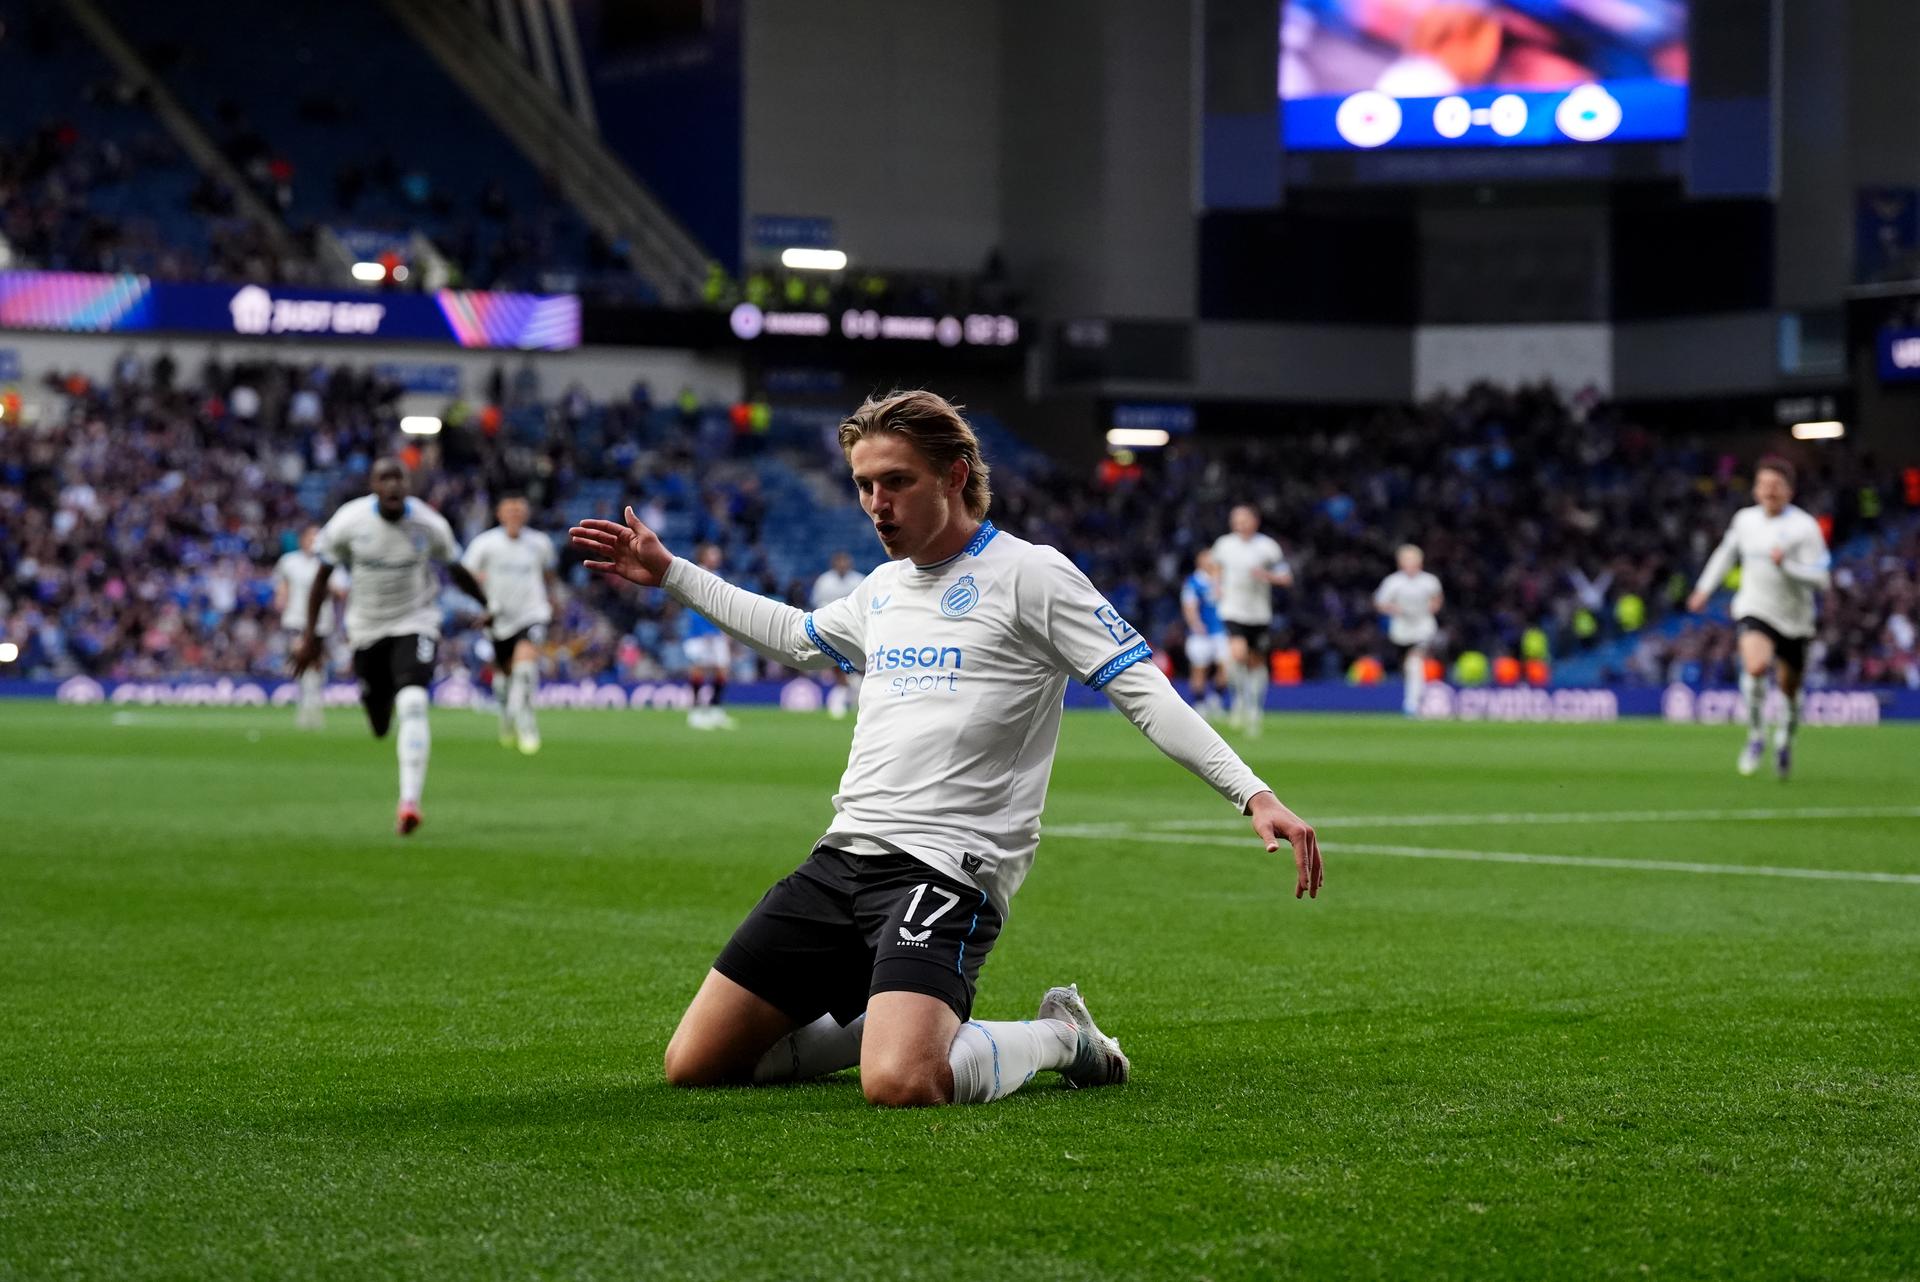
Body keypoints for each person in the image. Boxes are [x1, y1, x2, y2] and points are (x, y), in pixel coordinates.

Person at [570, 390, 1321, 1110]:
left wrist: (1251, 792)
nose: (876, 504)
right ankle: (896, 1018)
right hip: (841, 860)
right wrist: (671, 574)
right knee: (697, 1066)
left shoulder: (1032, 575)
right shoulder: (882, 589)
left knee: (902, 1083)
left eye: (896, 482)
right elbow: (796, 637)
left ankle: (1060, 1035)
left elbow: (1142, 692)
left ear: (956, 476)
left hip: (947, 868)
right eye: (864, 485)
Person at [292, 458, 486, 834]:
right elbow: (321, 581)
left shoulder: (430, 525)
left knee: (413, 702)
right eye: (385, 478)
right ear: (373, 485)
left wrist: (487, 604)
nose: (394, 485)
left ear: (408, 484)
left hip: (416, 621)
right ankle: (380, 713)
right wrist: (310, 637)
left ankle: (409, 802)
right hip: (365, 629)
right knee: (380, 722)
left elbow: (457, 568)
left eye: (400, 478)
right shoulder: (348, 523)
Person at [1686, 457, 1831, 778]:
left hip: (1795, 618)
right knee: (1754, 667)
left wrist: (1787, 566)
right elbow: (1725, 554)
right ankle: (1755, 735)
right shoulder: (1745, 521)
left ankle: (1784, 739)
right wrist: (1703, 589)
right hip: (1755, 607)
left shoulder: (1804, 528)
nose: (1769, 491)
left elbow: (1822, 579)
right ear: (1755, 489)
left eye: (1776, 486)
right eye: (1763, 485)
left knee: (1789, 689)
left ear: (1789, 491)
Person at [462, 494, 560, 754]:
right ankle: (506, 717)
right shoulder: (485, 544)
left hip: (532, 614)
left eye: (520, 511)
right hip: (498, 618)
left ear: (526, 514)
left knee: (525, 670)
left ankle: (527, 725)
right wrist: (481, 604)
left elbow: (549, 574)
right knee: (504, 678)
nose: (515, 515)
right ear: (500, 513)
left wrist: (553, 602)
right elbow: (466, 577)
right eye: (510, 510)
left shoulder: (539, 543)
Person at [1210, 505, 1293, 736]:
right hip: (1233, 609)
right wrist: (1217, 586)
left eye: (1245, 519)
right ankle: (1238, 700)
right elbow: (1216, 566)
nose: (1240, 523)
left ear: (1255, 521)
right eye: (1236, 519)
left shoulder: (1267, 547)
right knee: (1237, 654)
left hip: (1258, 612)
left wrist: (1267, 576)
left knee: (1256, 661)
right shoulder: (1224, 545)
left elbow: (1286, 577)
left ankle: (1255, 707)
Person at [271, 525, 344, 730]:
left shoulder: (329, 563)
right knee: (301, 658)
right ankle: (306, 704)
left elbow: (340, 592)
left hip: (322, 622)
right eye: (311, 538)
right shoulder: (289, 562)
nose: (313, 543)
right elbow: (282, 585)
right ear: (302, 539)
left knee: (316, 664)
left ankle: (313, 703)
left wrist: (327, 584)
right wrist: (280, 598)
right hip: (296, 619)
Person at [1373, 544, 1444, 718]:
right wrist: (1394, 609)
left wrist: (1430, 608)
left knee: (1414, 662)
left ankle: (1412, 704)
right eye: (1407, 560)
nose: (1410, 564)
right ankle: (1417, 697)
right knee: (1408, 667)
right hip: (1402, 630)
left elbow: (1437, 600)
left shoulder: (1429, 581)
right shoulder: (1393, 582)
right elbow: (1379, 603)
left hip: (1423, 627)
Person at [683, 544, 735, 730]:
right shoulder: (696, 574)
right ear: (703, 556)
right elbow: (693, 603)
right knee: (699, 669)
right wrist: (702, 629)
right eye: (713, 554)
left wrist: (725, 630)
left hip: (716, 633)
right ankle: (695, 711)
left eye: (718, 554)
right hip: (700, 633)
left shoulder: (718, 575)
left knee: (722, 669)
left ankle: (715, 710)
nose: (716, 557)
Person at [811, 550, 867, 719]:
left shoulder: (859, 580)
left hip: (855, 629)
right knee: (837, 664)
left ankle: (859, 695)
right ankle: (843, 696)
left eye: (845, 562)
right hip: (832, 630)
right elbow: (816, 605)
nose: (842, 565)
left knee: (862, 666)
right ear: (834, 563)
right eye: (839, 562)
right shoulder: (824, 581)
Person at [1179, 548, 1229, 720]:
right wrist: (1195, 623)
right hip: (1201, 634)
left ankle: (1216, 699)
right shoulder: (1193, 582)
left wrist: (1217, 579)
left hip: (1221, 631)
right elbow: (1189, 605)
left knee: (1227, 667)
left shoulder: (1222, 579)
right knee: (1199, 669)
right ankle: (1199, 703)